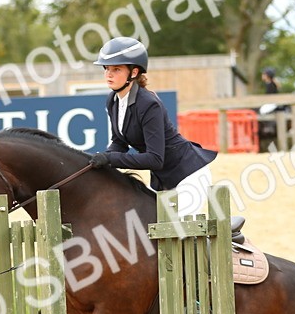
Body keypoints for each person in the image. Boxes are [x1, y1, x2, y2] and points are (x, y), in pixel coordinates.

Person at [88, 37, 217, 218]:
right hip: (162, 180)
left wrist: (111, 159)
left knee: (178, 235)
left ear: (133, 72)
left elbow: (155, 159)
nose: (108, 74)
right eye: (107, 69)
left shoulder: (148, 104)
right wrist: (102, 162)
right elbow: (119, 142)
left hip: (188, 176)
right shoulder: (113, 100)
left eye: (116, 69)